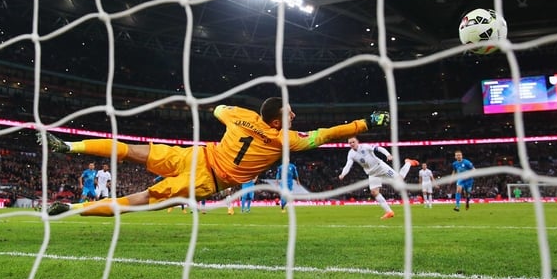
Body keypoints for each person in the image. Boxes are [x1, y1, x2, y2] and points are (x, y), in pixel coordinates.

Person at [39, 97, 390, 216]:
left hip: (196, 154)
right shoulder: (285, 141)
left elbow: (219, 109)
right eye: (289, 114)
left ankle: (69, 146)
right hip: (208, 178)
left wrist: (227, 112)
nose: (294, 117)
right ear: (276, 120)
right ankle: (69, 210)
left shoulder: (241, 115)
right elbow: (327, 134)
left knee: (133, 151)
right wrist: (365, 123)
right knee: (144, 197)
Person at [337, 137, 418, 220]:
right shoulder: (351, 154)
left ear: (357, 142)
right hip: (372, 173)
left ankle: (408, 163)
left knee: (400, 179)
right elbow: (348, 165)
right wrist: (343, 174)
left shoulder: (365, 147)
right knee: (374, 192)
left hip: (381, 167)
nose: (351, 144)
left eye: (353, 142)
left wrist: (388, 154)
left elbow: (379, 148)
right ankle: (389, 212)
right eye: (350, 143)